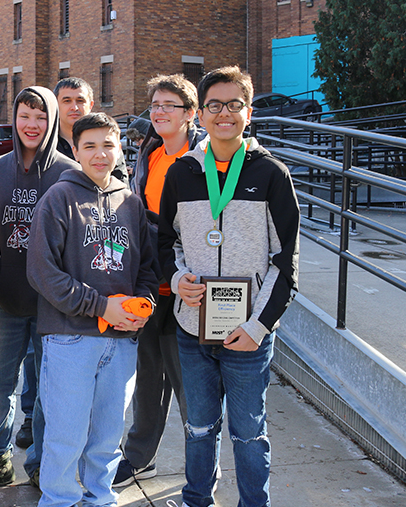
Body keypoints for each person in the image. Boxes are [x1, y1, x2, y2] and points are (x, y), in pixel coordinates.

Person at [157, 66, 300, 507]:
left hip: (248, 336)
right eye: (215, 105)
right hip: (193, 329)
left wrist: (258, 327)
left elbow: (286, 262)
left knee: (249, 432)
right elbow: (165, 243)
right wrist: (178, 279)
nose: (224, 113)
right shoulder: (181, 172)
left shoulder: (272, 174)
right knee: (199, 427)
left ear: (249, 112)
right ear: (200, 114)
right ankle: (196, 499)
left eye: (234, 104)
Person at [27, 112, 156, 507]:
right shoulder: (59, 198)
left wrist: (143, 305)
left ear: (120, 148)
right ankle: (59, 500)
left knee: (107, 435)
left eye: (108, 145)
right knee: (66, 435)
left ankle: (100, 498)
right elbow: (42, 272)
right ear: (76, 150)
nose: (100, 154)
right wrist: (100, 307)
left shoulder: (130, 202)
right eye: (90, 146)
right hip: (71, 338)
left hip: (121, 341)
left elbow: (147, 268)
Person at [0, 86, 79, 489]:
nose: (32, 124)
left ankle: (41, 464)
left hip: (53, 304)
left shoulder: (69, 172)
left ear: (52, 121)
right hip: (4, 301)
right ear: (14, 118)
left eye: (40, 116)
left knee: (50, 393)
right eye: (24, 115)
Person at [115, 73, 206, 487]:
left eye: (169, 105)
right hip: (151, 285)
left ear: (190, 114)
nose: (159, 112)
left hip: (189, 287)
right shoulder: (148, 153)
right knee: (148, 376)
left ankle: (201, 469)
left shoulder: (204, 158)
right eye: (154, 105)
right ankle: (139, 456)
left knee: (190, 384)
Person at [54, 77, 127, 184]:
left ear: (91, 105)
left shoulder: (107, 141)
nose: (74, 107)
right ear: (55, 105)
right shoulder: (45, 143)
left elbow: (120, 185)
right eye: (67, 101)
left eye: (80, 101)